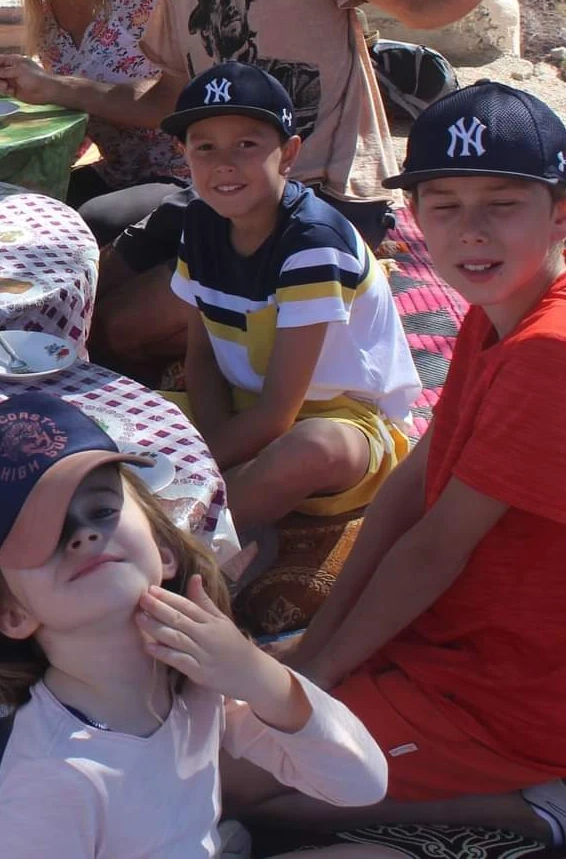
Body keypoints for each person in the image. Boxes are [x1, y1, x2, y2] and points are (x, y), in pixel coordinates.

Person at [0, 0, 525, 375]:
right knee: (70, 304)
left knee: (114, 331)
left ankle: (203, 419)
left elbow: (417, 3)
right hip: (221, 190)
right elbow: (164, 99)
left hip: (323, 197)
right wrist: (51, 86)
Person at [231, 82, 566, 848]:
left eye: (501, 203)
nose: (470, 232)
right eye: (443, 204)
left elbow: (436, 547)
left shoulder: (549, 352)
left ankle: (540, 802)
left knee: (230, 778)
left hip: (515, 691)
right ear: (414, 218)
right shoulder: (498, 309)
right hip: (449, 638)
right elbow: (416, 479)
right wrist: (320, 649)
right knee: (219, 722)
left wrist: (313, 685)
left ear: (562, 211)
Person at [0, 393, 388, 859]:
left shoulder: (197, 680)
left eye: (103, 510)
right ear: (13, 614)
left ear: (163, 549)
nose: (83, 535)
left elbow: (361, 783)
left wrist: (257, 675)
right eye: (41, 535)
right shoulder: (53, 778)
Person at [163, 61, 418, 532]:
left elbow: (279, 415)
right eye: (205, 147)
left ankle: (178, 542)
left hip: (343, 420)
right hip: (247, 403)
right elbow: (201, 356)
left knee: (308, 451)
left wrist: (197, 466)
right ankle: (217, 506)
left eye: (247, 144)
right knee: (115, 424)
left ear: (288, 153)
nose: (224, 163)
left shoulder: (313, 244)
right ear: (185, 156)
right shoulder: (201, 223)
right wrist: (212, 444)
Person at [14, 0, 187, 222]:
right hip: (116, 173)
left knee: (90, 218)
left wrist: (55, 87)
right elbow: (78, 116)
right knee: (21, 205)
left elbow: (173, 103)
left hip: (182, 174)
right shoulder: (46, 22)